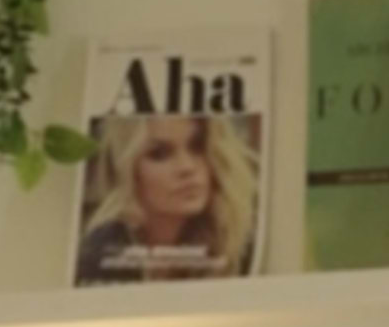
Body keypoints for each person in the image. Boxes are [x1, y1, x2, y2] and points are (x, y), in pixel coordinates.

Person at [74, 113, 262, 284]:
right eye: (160, 154)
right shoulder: (103, 253)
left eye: (197, 146)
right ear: (127, 170)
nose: (187, 168)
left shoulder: (234, 241)